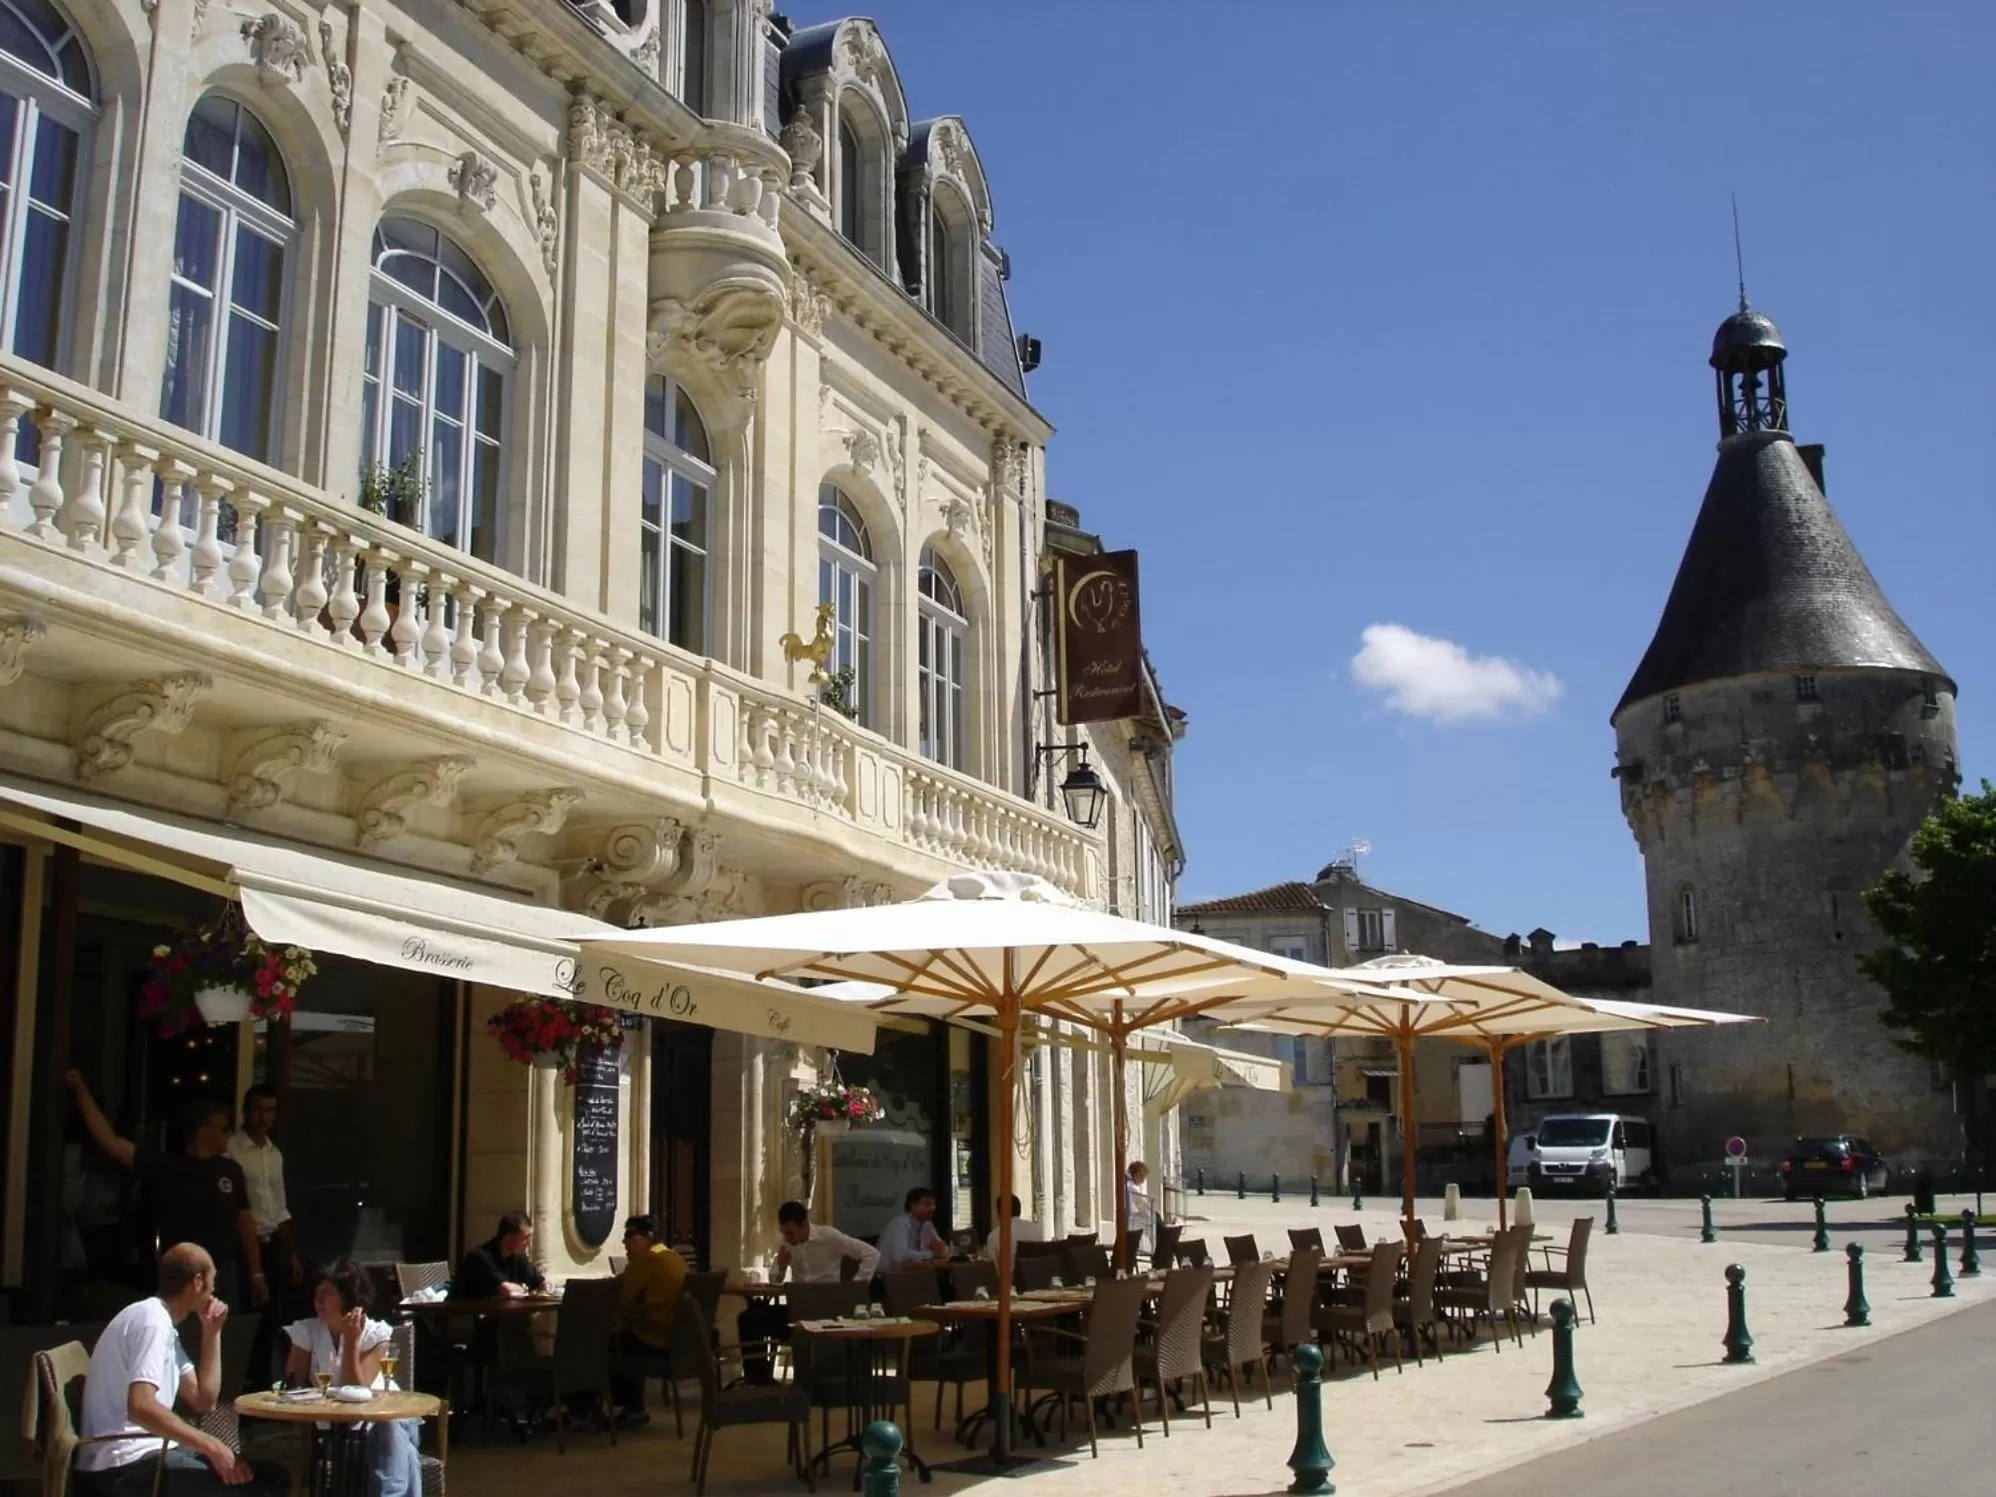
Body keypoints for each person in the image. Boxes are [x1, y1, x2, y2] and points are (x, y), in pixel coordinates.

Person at [74, 1242, 291, 1494]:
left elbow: (204, 1401)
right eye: (213, 1282)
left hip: (152, 1452)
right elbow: (140, 1407)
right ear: (197, 1282)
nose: (214, 1291)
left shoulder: (165, 1327)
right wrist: (212, 1446)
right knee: (253, 1492)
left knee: (272, 1477)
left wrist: (212, 1333)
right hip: (124, 1463)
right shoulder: (151, 1321)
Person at [67, 1073, 265, 1312]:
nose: (229, 1134)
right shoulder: (166, 1166)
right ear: (202, 1132)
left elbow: (245, 1221)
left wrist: (256, 1273)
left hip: (223, 1271)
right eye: (223, 1128)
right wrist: (80, 1088)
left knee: (221, 1338)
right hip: (183, 1272)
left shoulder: (230, 1170)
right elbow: (109, 1141)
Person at [283, 1261, 421, 1497]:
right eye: (316, 1294)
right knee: (406, 1456)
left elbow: (357, 1390)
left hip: (384, 1422)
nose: (318, 1301)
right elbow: (293, 1384)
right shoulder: (308, 1331)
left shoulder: (375, 1333)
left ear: (349, 1297)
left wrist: (352, 1342)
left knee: (388, 1428)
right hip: (336, 1431)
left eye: (327, 1294)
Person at [738, 1201, 879, 1384]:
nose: (788, 1238)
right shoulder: (785, 1243)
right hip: (798, 1310)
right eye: (784, 1233)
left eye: (791, 1233)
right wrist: (780, 1266)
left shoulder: (828, 1237)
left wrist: (854, 1288)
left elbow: (872, 1254)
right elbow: (775, 1281)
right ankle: (760, 1381)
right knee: (748, 1319)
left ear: (804, 1225)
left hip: (827, 1309)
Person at [229, 1085, 299, 1381]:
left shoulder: (274, 1153)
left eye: (270, 1110)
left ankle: (267, 1383)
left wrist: (291, 1251)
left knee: (274, 1320)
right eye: (259, 1109)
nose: (264, 1116)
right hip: (244, 1244)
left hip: (273, 1244)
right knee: (246, 1319)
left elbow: (279, 1207)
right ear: (246, 1111)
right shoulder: (232, 1148)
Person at [609, 1215, 687, 1425]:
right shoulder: (673, 1256)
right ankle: (631, 1406)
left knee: (606, 1342)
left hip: (654, 1336)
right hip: (673, 1338)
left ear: (648, 1237)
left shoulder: (649, 1259)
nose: (624, 1242)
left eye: (629, 1235)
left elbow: (619, 1296)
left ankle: (626, 1407)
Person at [452, 1212, 545, 1299]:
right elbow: (506, 1289)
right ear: (509, 1237)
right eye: (526, 1238)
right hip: (474, 1313)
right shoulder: (480, 1257)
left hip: (506, 1313)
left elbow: (538, 1283)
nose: (529, 1244)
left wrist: (538, 1284)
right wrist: (524, 1288)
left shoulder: (518, 1257)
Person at [876, 1187, 951, 1270]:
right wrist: (931, 1254)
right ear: (913, 1206)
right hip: (887, 1276)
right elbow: (901, 1256)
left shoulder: (927, 1224)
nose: (932, 1208)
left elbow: (943, 1248)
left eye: (933, 1204)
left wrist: (943, 1249)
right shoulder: (901, 1223)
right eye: (927, 1204)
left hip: (912, 1272)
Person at [983, 1194, 1045, 1265]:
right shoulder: (1037, 1229)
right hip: (1037, 1275)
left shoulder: (994, 1236)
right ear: (1020, 1211)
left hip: (1008, 1275)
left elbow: (993, 1269)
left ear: (1000, 1212)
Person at [1125, 1161, 1157, 1254]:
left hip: (1133, 1218)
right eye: (1142, 1177)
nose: (1143, 1181)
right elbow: (1141, 1205)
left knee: (1154, 1219)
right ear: (1137, 1175)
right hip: (1131, 1220)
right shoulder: (1131, 1187)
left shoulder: (1130, 1184)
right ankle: (1156, 1251)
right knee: (1154, 1225)